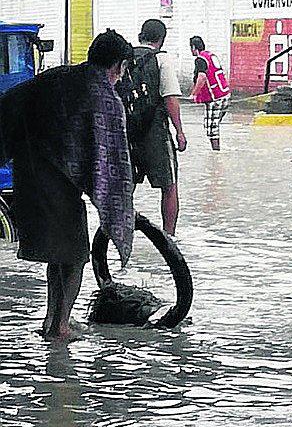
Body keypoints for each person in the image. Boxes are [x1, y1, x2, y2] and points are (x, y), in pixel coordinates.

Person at [0, 30, 136, 340]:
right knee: (75, 257)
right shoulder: (104, 96)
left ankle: (51, 320)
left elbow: (9, 104)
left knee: (57, 254)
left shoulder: (57, 77)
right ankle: (60, 327)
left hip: (28, 174)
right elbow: (113, 163)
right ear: (118, 65)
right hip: (58, 182)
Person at [127, 19, 186, 236]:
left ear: (141, 34)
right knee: (169, 187)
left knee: (126, 188)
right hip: (155, 133)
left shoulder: (125, 59)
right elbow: (170, 99)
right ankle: (169, 238)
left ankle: (122, 234)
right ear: (161, 39)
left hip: (127, 134)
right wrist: (179, 132)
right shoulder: (162, 60)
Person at [189, 36, 231, 151]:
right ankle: (218, 149)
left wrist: (194, 94)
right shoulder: (211, 55)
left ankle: (216, 153)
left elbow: (201, 77)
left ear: (193, 47)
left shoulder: (200, 59)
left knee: (212, 128)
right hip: (225, 95)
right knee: (212, 124)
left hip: (215, 98)